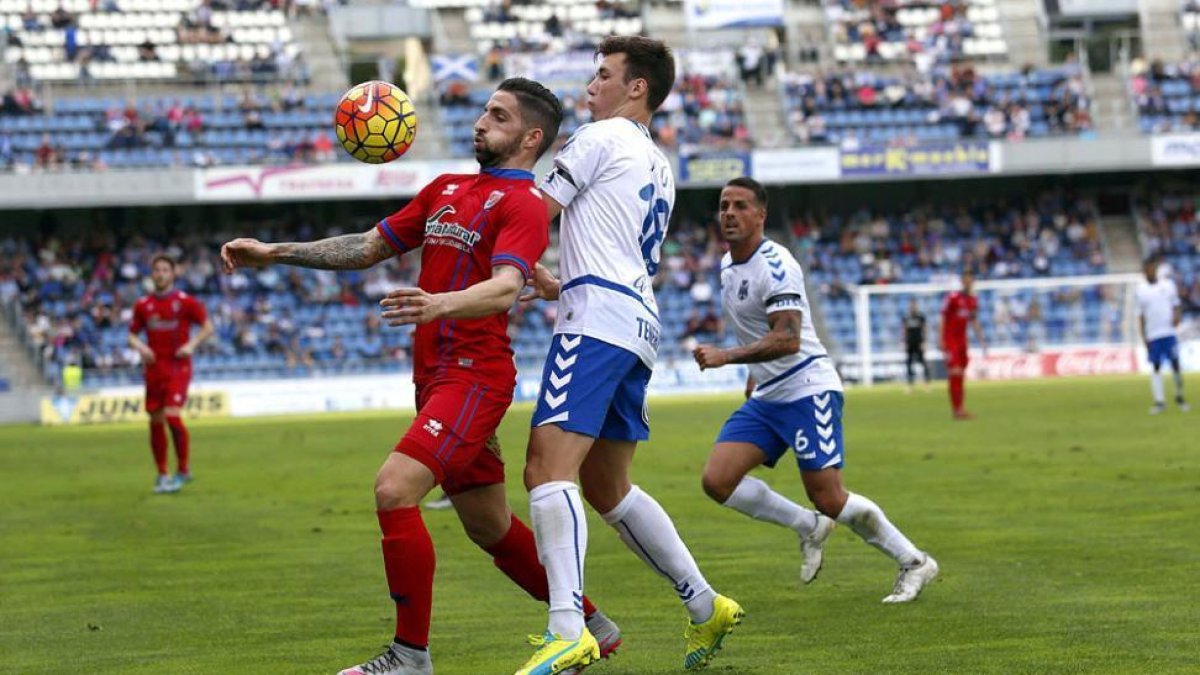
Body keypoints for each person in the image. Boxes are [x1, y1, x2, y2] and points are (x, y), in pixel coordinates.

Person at [220, 78, 620, 675]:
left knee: (393, 489)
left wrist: (439, 304)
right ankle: (593, 622)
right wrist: (275, 252)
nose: (481, 122)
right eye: (485, 110)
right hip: (434, 379)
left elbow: (508, 286)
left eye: (499, 116)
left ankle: (410, 655)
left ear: (531, 137)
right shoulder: (445, 188)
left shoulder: (524, 204)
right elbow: (365, 248)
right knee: (488, 525)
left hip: (473, 377)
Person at [516, 36, 743, 675]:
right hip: (635, 322)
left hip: (594, 323)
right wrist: (558, 281)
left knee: (545, 468)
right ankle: (705, 605)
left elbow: (535, 210)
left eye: (603, 75)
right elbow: (620, 247)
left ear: (636, 87)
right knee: (605, 484)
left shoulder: (596, 137)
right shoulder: (657, 161)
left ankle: (567, 628)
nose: (591, 87)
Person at [693, 177, 939, 604]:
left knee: (828, 495)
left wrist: (728, 357)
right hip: (769, 392)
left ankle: (914, 562)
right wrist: (754, 376)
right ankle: (807, 526)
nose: (729, 213)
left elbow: (788, 337)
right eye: (724, 205)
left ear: (760, 215)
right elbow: (758, 328)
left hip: (808, 387)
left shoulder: (777, 263)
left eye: (740, 206)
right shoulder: (727, 267)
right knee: (717, 480)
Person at [128, 254, 214, 494]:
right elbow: (131, 334)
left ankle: (184, 468)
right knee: (155, 421)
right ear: (152, 274)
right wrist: (141, 347)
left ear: (173, 273)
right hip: (154, 369)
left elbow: (208, 327)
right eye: (157, 270)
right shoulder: (143, 305)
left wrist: (192, 344)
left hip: (178, 366)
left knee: (172, 416)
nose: (161, 274)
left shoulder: (185, 302)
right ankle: (163, 474)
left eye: (166, 270)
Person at [1135, 256, 1188, 414]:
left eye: (1152, 268)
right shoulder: (1140, 291)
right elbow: (1140, 315)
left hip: (1169, 332)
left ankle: (1180, 397)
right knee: (1156, 366)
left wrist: (1177, 317)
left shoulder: (1168, 285)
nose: (1150, 271)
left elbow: (1176, 304)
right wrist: (1143, 335)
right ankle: (1159, 401)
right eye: (1147, 269)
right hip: (1153, 334)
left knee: (1175, 364)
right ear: (1144, 271)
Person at [940, 269, 986, 419]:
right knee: (955, 372)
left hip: (962, 341)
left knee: (961, 375)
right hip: (950, 340)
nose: (968, 281)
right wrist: (941, 340)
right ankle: (957, 410)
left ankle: (960, 408)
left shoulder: (973, 301)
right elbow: (943, 318)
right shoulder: (952, 298)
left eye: (970, 279)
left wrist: (982, 341)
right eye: (965, 279)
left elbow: (974, 321)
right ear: (962, 281)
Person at [902, 298, 930, 392]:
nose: (913, 307)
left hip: (919, 342)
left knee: (923, 363)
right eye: (911, 305)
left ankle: (926, 384)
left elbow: (925, 329)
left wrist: (925, 342)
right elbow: (904, 330)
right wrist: (904, 342)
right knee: (909, 364)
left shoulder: (921, 317)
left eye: (914, 305)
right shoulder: (906, 317)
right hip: (910, 343)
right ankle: (910, 385)